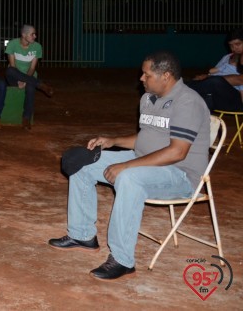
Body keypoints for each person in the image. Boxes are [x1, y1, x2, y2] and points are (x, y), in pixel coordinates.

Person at [47, 51, 210, 280]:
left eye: (146, 74)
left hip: (179, 174)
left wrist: (128, 166)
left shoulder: (188, 101)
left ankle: (123, 260)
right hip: (144, 159)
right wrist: (113, 141)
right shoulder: (148, 98)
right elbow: (145, 138)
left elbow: (177, 152)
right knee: (82, 163)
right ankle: (82, 235)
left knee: (128, 178)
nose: (141, 79)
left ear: (165, 76)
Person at [4, 24, 55, 130]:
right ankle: (40, 84)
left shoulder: (37, 47)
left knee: (30, 88)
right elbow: (13, 66)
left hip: (30, 76)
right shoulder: (13, 44)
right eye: (32, 34)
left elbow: (32, 68)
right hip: (15, 76)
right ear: (24, 34)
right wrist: (19, 80)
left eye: (35, 34)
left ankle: (26, 119)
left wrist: (26, 81)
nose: (35, 36)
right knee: (9, 70)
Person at [185, 28, 243, 112]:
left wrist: (209, 79)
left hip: (237, 99)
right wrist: (206, 77)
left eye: (238, 44)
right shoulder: (227, 57)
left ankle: (178, 89)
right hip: (217, 94)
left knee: (215, 82)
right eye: (231, 45)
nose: (234, 48)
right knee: (200, 94)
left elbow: (241, 79)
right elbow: (213, 74)